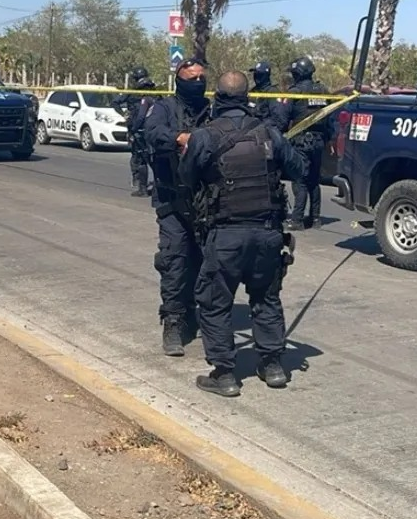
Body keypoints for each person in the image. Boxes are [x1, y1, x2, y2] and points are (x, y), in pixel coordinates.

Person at [180, 70, 303, 397]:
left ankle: (224, 374)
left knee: (215, 302)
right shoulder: (269, 134)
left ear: (217, 98)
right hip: (267, 234)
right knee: (265, 297)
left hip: (226, 235)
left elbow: (186, 177)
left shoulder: (204, 136)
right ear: (248, 98)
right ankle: (273, 365)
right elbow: (299, 169)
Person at [143, 57, 211, 356]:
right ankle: (173, 320)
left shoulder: (213, 110)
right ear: (178, 79)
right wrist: (178, 137)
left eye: (201, 78)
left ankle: (197, 312)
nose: (197, 82)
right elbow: (152, 133)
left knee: (206, 263)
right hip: (173, 200)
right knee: (175, 261)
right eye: (191, 77)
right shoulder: (164, 108)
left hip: (208, 202)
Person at [284, 57, 332, 230]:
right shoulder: (322, 90)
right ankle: (316, 218)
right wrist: (329, 138)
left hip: (301, 141)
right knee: (314, 180)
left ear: (297, 74)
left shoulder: (294, 92)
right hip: (319, 141)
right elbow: (330, 117)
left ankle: (296, 220)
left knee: (300, 180)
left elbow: (284, 118)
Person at [113, 66, 155, 197]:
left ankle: (142, 187)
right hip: (151, 128)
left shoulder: (138, 93)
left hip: (139, 129)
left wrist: (132, 126)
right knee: (151, 159)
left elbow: (141, 114)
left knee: (140, 158)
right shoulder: (153, 91)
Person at [249, 61, 288, 131]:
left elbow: (280, 120)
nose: (256, 76)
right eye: (255, 73)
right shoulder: (252, 92)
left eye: (259, 74)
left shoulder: (273, 93)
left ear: (266, 75)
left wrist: (262, 127)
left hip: (266, 133)